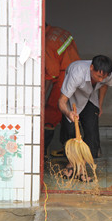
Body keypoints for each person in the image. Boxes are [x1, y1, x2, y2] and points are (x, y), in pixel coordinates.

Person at [58, 55, 112, 179]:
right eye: (98, 76)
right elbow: (61, 101)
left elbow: (105, 85)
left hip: (91, 97)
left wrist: (99, 104)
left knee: (91, 130)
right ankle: (71, 164)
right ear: (91, 68)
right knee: (70, 130)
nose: (100, 79)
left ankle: (82, 167)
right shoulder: (76, 74)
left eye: (103, 77)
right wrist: (68, 113)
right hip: (72, 96)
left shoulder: (108, 73)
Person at [44, 24, 80, 157]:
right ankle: (67, 149)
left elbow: (52, 74)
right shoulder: (61, 31)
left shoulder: (47, 43)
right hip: (77, 73)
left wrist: (43, 97)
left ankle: (43, 153)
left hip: (64, 77)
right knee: (69, 114)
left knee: (51, 113)